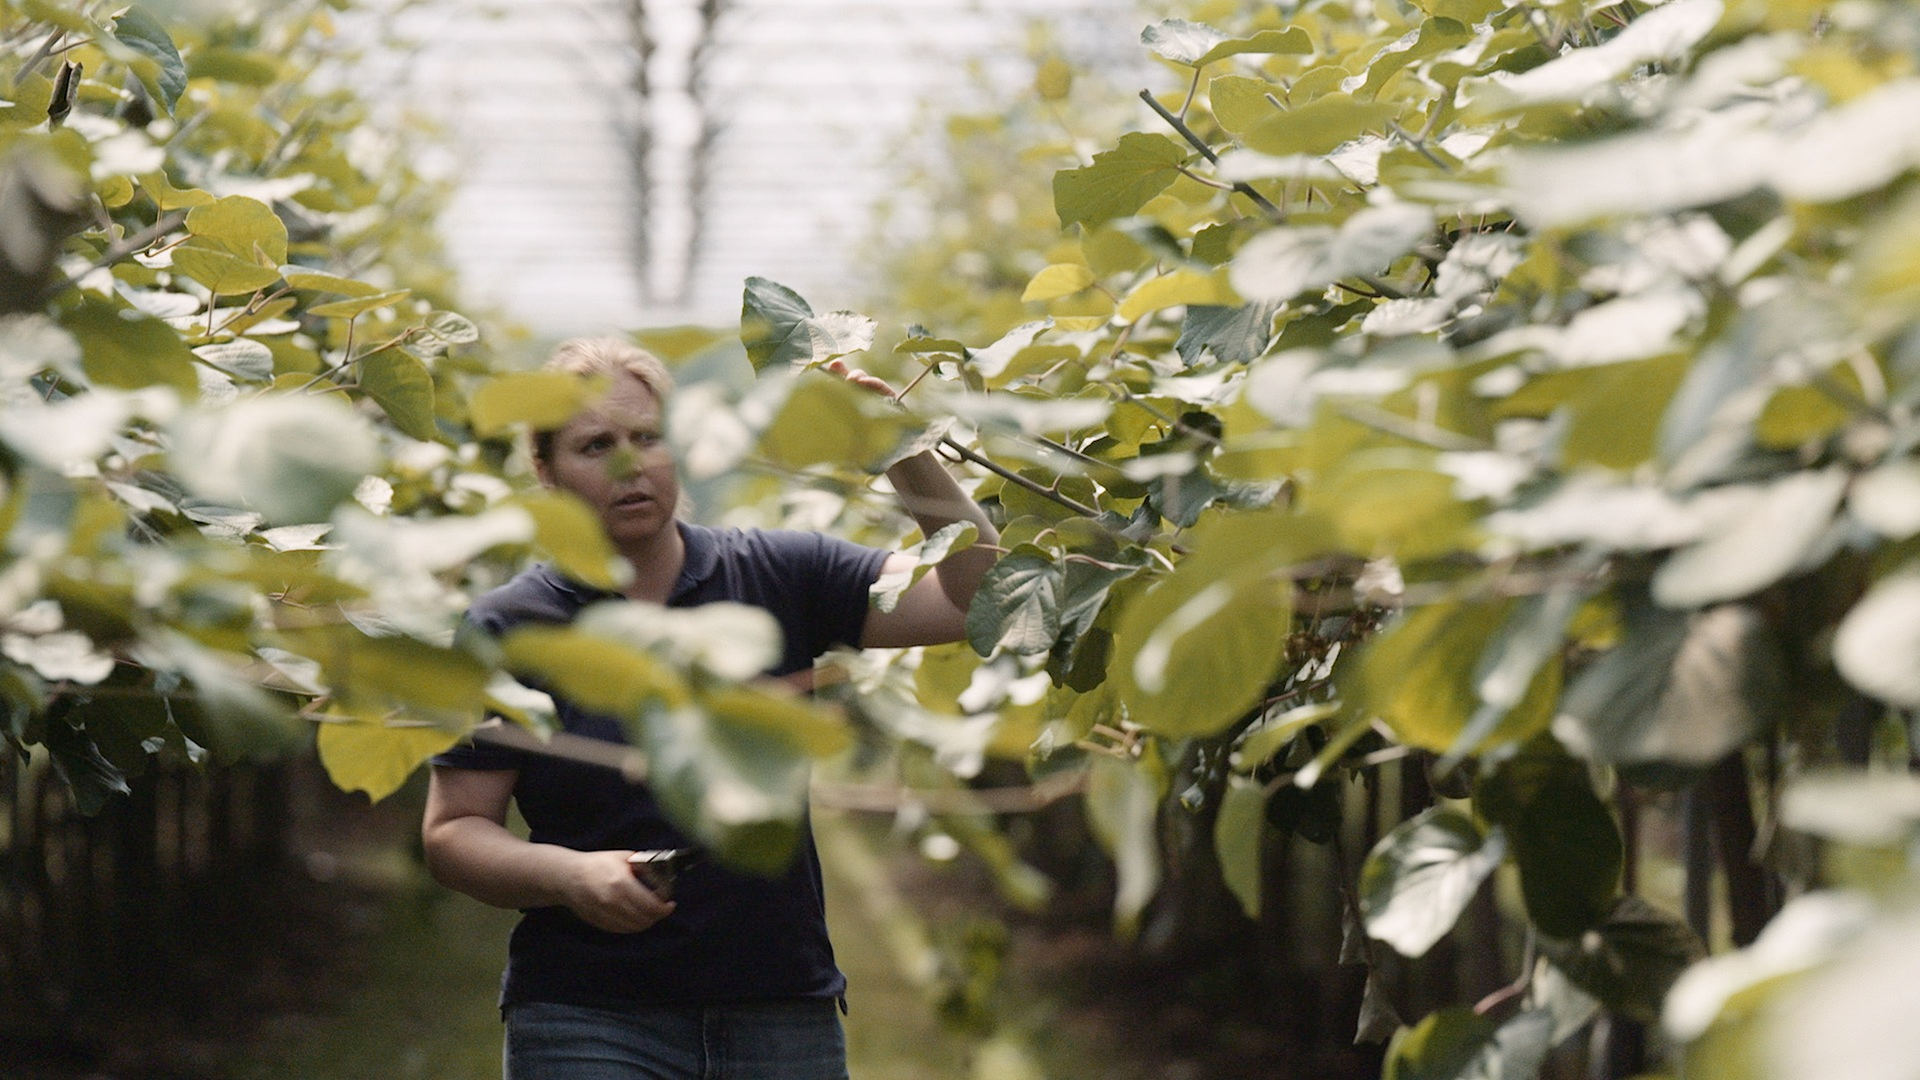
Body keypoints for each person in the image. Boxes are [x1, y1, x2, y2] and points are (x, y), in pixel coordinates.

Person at [420, 337, 999, 1080]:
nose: (630, 465)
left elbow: (980, 600)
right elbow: (454, 831)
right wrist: (568, 876)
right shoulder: (510, 625)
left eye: (647, 438)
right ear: (546, 469)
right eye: (595, 446)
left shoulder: (781, 573)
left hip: (778, 1011)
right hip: (586, 1018)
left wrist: (905, 449)